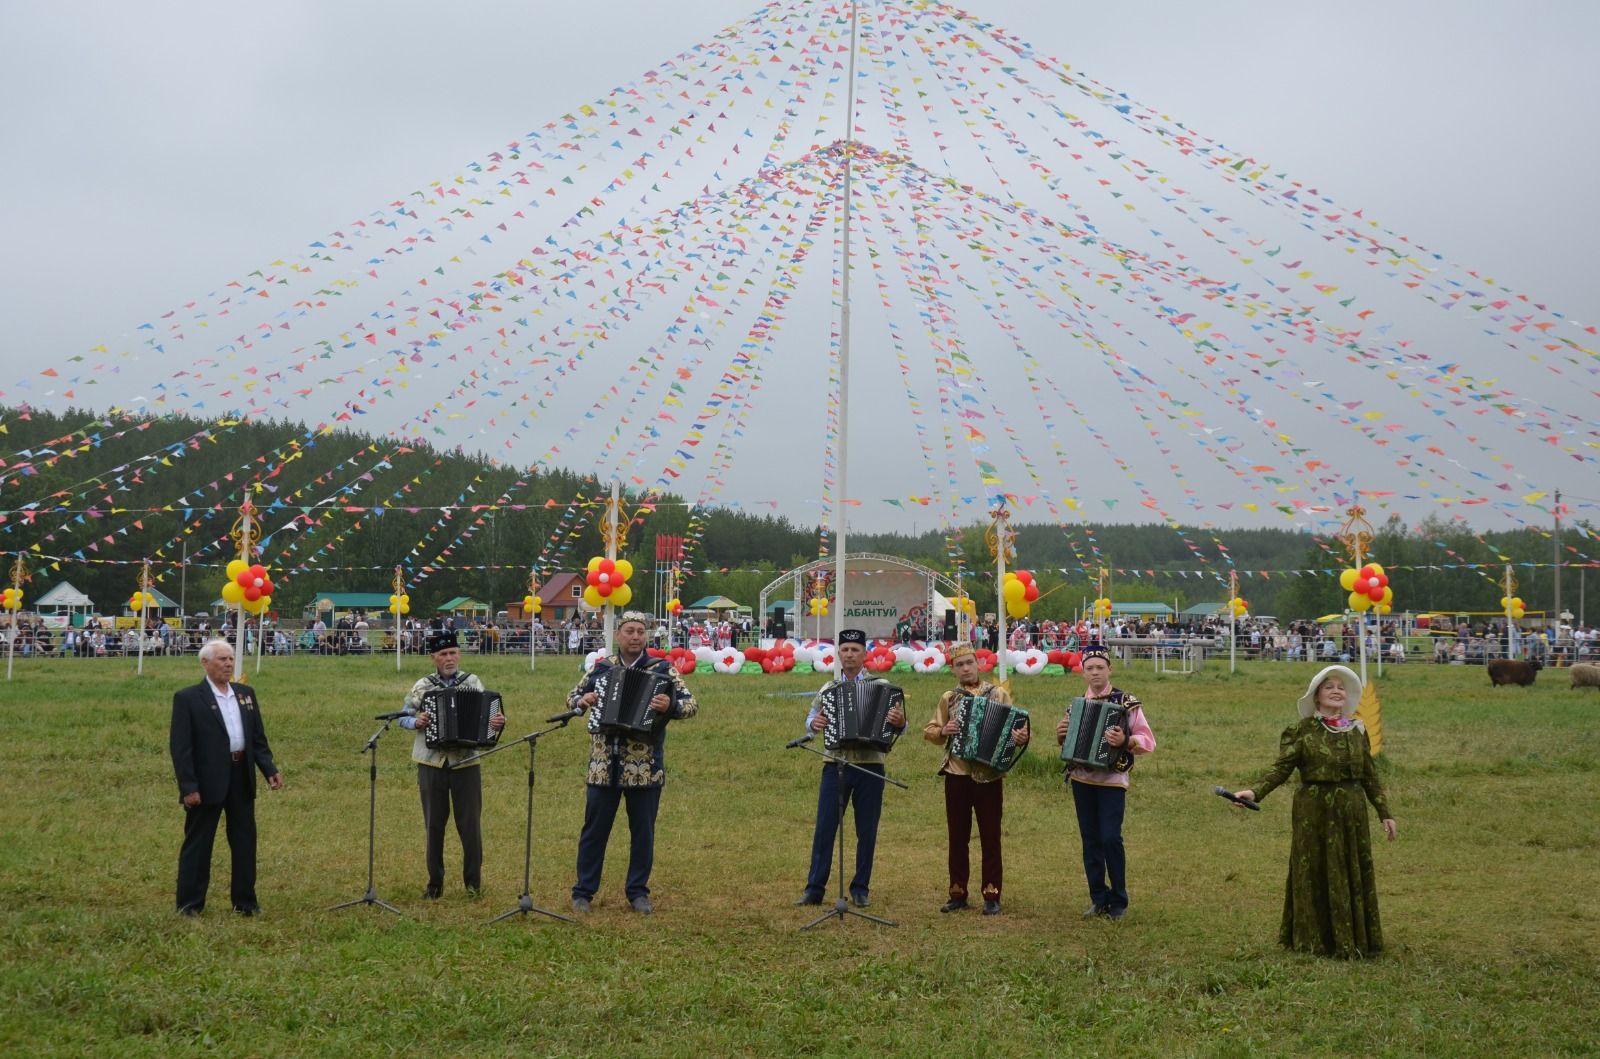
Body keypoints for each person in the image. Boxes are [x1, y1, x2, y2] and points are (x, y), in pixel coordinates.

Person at [1232, 665, 1397, 958]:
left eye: (1341, 687)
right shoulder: (1302, 730)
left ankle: (1354, 939)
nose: (1336, 691)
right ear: (1317, 696)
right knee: (1315, 868)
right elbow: (1281, 768)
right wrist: (1255, 791)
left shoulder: (1358, 731)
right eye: (1328, 686)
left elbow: (1370, 776)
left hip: (1352, 809)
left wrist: (1384, 813)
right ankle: (1313, 940)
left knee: (1349, 868)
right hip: (1313, 809)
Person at [567, 611, 698, 914]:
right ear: (618, 635)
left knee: (643, 832)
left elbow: (691, 705)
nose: (635, 636)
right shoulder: (601, 669)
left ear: (646, 636)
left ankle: (638, 891)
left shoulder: (662, 670)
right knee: (594, 830)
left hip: (644, 765)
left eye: (640, 631)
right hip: (603, 765)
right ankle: (583, 891)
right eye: (629, 631)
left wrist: (671, 705)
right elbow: (572, 697)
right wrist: (582, 701)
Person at [169, 639, 284, 915]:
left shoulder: (245, 694)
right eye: (222, 659)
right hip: (207, 782)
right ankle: (190, 904)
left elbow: (257, 738)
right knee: (199, 844)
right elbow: (181, 748)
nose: (228, 664)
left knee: (245, 841)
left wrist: (269, 769)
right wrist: (189, 787)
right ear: (205, 663)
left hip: (240, 776)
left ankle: (245, 902)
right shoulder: (188, 698)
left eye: (231, 659)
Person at [797, 629, 907, 909]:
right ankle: (814, 888)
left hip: (871, 765)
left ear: (864, 654)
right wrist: (814, 724)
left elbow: (900, 726)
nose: (849, 655)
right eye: (844, 650)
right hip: (836, 764)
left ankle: (860, 888)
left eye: (854, 650)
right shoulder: (827, 689)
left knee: (866, 830)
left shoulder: (883, 686)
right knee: (825, 828)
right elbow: (811, 719)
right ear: (838, 654)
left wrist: (898, 721)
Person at [397, 629, 505, 899]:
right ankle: (434, 884)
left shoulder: (473, 682)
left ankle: (473, 884)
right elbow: (402, 716)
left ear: (459, 654)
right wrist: (416, 722)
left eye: (453, 653)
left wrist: (496, 723)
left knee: (470, 825)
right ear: (433, 657)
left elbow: (488, 716)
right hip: (431, 763)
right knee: (434, 824)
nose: (449, 658)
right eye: (443, 654)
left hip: (466, 762)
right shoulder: (423, 686)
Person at [923, 641, 1029, 915]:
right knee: (957, 836)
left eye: (970, 663)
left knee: (990, 836)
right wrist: (944, 730)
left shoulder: (998, 695)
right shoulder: (949, 698)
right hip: (956, 773)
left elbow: (1016, 729)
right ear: (953, 669)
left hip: (989, 775)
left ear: (978, 664)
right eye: (960, 665)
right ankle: (957, 891)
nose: (966, 668)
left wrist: (1020, 738)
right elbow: (930, 730)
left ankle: (992, 893)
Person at [1055, 643, 1155, 921]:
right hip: (1082, 778)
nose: (1095, 673)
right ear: (1082, 673)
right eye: (1090, 669)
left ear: (1110, 669)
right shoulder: (1077, 705)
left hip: (1112, 779)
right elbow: (1068, 745)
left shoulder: (1127, 703)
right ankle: (1098, 898)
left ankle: (1119, 900)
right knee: (1090, 840)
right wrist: (1061, 734)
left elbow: (1148, 740)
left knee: (1111, 837)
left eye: (1100, 667)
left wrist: (1126, 741)